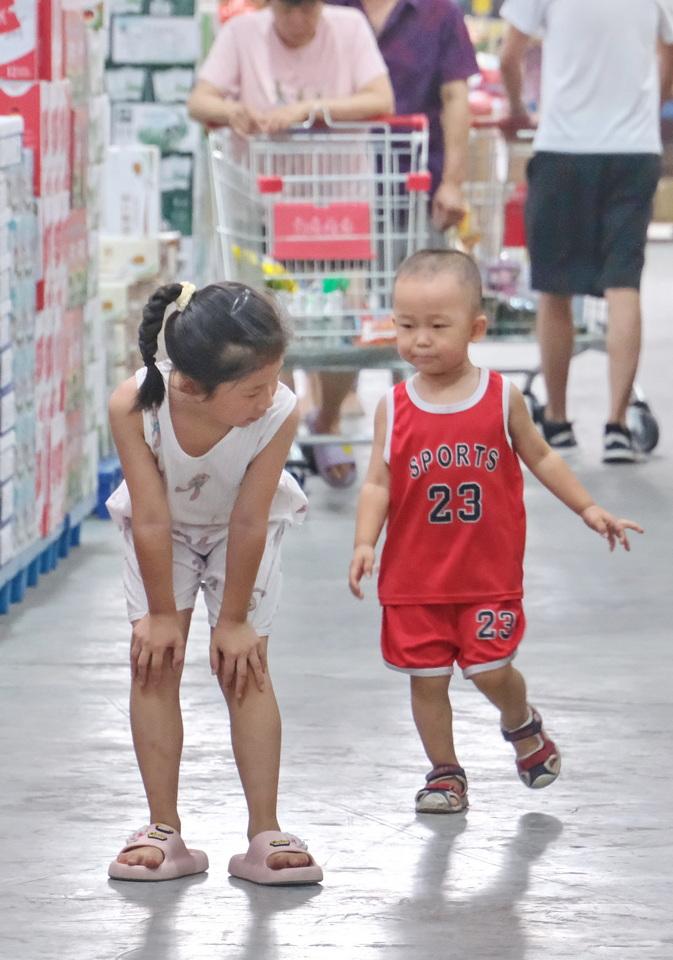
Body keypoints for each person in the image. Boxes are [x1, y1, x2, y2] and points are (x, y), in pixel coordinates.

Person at [348, 249, 643, 813]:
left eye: (438, 326)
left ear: (476, 328)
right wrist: (366, 541)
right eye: (406, 325)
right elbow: (378, 483)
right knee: (426, 682)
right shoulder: (394, 405)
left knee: (491, 670)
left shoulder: (499, 396)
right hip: (414, 582)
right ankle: (444, 773)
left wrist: (589, 508)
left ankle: (521, 721)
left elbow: (542, 456)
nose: (421, 340)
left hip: (487, 576)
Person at [105, 280, 323, 885]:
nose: (269, 396)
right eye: (253, 389)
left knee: (245, 665)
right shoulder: (135, 407)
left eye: (274, 378)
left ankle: (264, 831)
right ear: (192, 386)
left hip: (240, 533)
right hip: (162, 532)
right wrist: (159, 615)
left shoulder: (277, 409)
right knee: (153, 661)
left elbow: (252, 516)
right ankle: (162, 828)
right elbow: (150, 516)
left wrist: (232, 622)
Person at [188, 0, 395, 487]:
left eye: (307, 10)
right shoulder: (242, 35)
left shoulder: (349, 29)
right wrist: (231, 109)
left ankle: (327, 418)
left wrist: (311, 109)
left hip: (335, 209)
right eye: (286, 10)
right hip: (261, 207)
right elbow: (200, 101)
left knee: (344, 323)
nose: (297, 22)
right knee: (264, 326)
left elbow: (379, 96)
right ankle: (284, 426)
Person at [499, 0, 673, 462]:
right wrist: (643, 114)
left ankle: (556, 421)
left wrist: (520, 109)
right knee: (624, 284)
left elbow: (508, 53)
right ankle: (617, 426)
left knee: (555, 287)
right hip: (633, 151)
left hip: (563, 146)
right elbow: (669, 54)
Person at [331, 0, 478, 233]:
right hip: (332, 182)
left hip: (414, 183)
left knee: (414, 265)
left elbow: (455, 97)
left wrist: (452, 182)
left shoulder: (440, 13)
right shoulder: (328, 8)